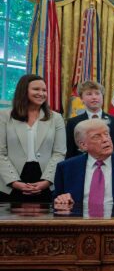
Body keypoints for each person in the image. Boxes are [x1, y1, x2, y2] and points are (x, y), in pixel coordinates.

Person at [0, 74, 66, 203]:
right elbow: (1, 153)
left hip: (45, 179)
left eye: (44, 90)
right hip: (10, 180)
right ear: (23, 91)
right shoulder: (4, 116)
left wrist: (47, 181)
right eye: (36, 89)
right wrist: (14, 182)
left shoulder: (56, 118)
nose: (41, 93)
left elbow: (59, 153)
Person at [65, 81, 114, 159]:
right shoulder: (72, 123)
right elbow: (70, 153)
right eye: (89, 94)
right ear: (81, 99)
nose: (94, 97)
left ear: (102, 97)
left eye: (97, 93)